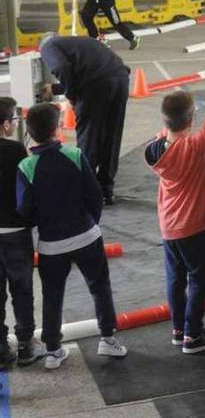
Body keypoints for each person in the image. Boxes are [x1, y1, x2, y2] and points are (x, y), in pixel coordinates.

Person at [16, 103, 128, 370]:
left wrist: (44, 224)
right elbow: (94, 195)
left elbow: (24, 211)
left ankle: (53, 349)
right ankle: (108, 338)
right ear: (57, 129)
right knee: (100, 286)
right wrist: (90, 224)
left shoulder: (26, 167)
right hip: (87, 236)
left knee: (52, 295)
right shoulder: (75, 155)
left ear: (30, 133)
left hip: (51, 245)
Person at [145, 58, 205, 355]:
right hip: (195, 226)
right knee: (199, 279)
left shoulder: (156, 150)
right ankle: (192, 335)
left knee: (175, 278)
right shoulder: (192, 148)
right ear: (191, 120)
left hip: (169, 228)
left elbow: (166, 135)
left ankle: (179, 327)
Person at [39, 34, 130, 205]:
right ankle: (106, 190)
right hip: (120, 78)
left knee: (89, 139)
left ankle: (86, 191)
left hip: (96, 86)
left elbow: (61, 67)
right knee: (112, 136)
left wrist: (72, 96)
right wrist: (55, 89)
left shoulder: (49, 46)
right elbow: (82, 71)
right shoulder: (77, 42)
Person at [0, 98, 44, 369]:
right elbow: (28, 187)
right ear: (6, 124)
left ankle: (1, 350)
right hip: (15, 231)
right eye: (14, 121)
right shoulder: (16, 149)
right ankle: (27, 343)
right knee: (22, 289)